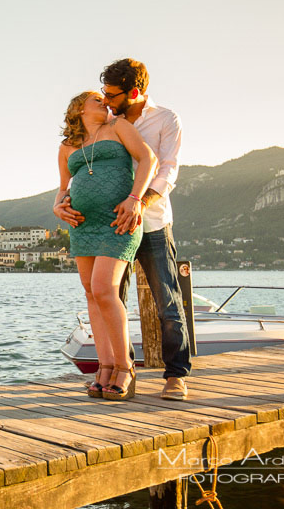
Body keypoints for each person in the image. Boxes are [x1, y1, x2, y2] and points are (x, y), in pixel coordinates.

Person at [55, 58, 191, 400]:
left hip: (150, 218)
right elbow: (70, 178)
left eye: (111, 95)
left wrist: (138, 202)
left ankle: (176, 375)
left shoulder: (164, 119)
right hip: (102, 223)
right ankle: (117, 368)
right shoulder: (107, 121)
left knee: (167, 302)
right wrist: (61, 202)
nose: (106, 99)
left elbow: (165, 168)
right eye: (102, 94)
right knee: (107, 296)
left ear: (134, 92)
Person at [54, 90, 157, 400]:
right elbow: (62, 189)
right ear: (78, 109)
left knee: (103, 289)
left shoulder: (119, 127)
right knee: (91, 293)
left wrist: (135, 199)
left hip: (119, 220)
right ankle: (105, 365)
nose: (105, 103)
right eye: (96, 100)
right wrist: (57, 207)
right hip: (83, 225)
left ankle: (125, 366)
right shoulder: (67, 147)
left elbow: (148, 159)